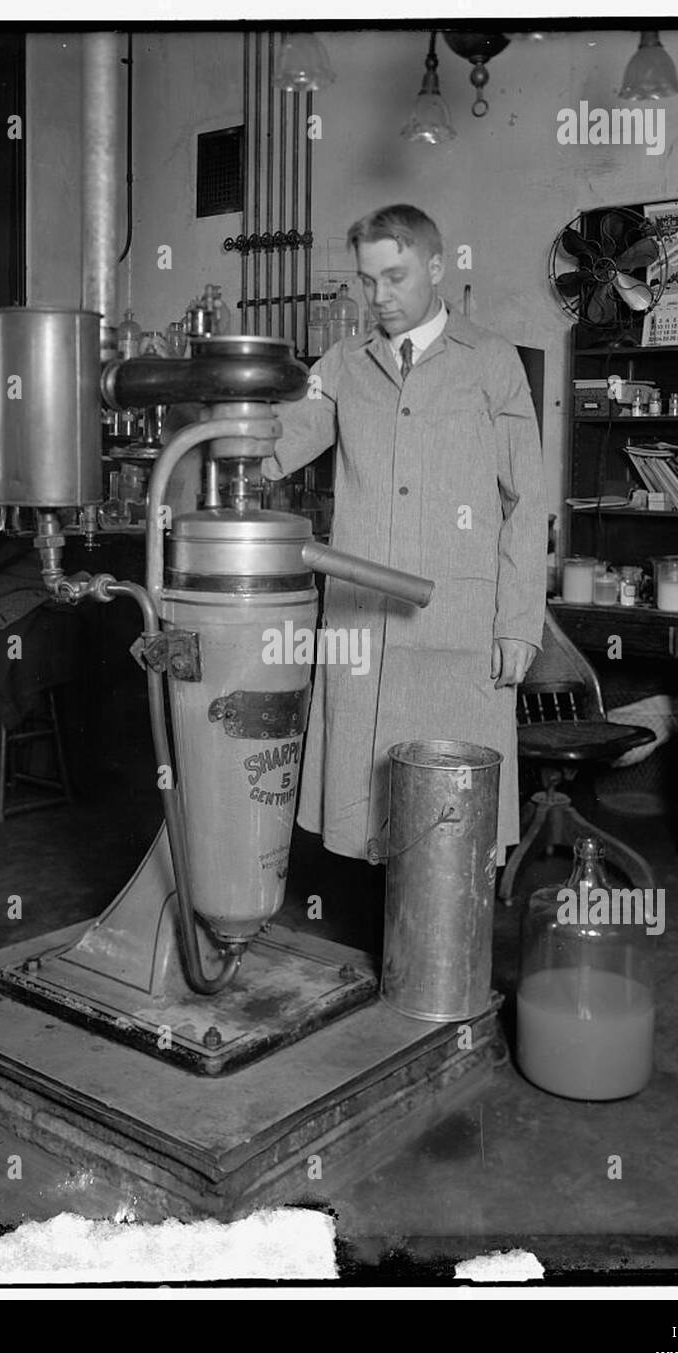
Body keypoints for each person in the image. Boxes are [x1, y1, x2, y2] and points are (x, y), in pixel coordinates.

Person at [264, 203, 547, 871]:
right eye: (368, 280)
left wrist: (518, 625)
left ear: (436, 266)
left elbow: (526, 500)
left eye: (396, 277)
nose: (380, 296)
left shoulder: (491, 361)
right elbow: (274, 449)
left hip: (456, 620)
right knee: (368, 805)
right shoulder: (342, 363)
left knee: (450, 813)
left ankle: (437, 924)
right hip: (363, 617)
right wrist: (215, 417)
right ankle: (390, 922)